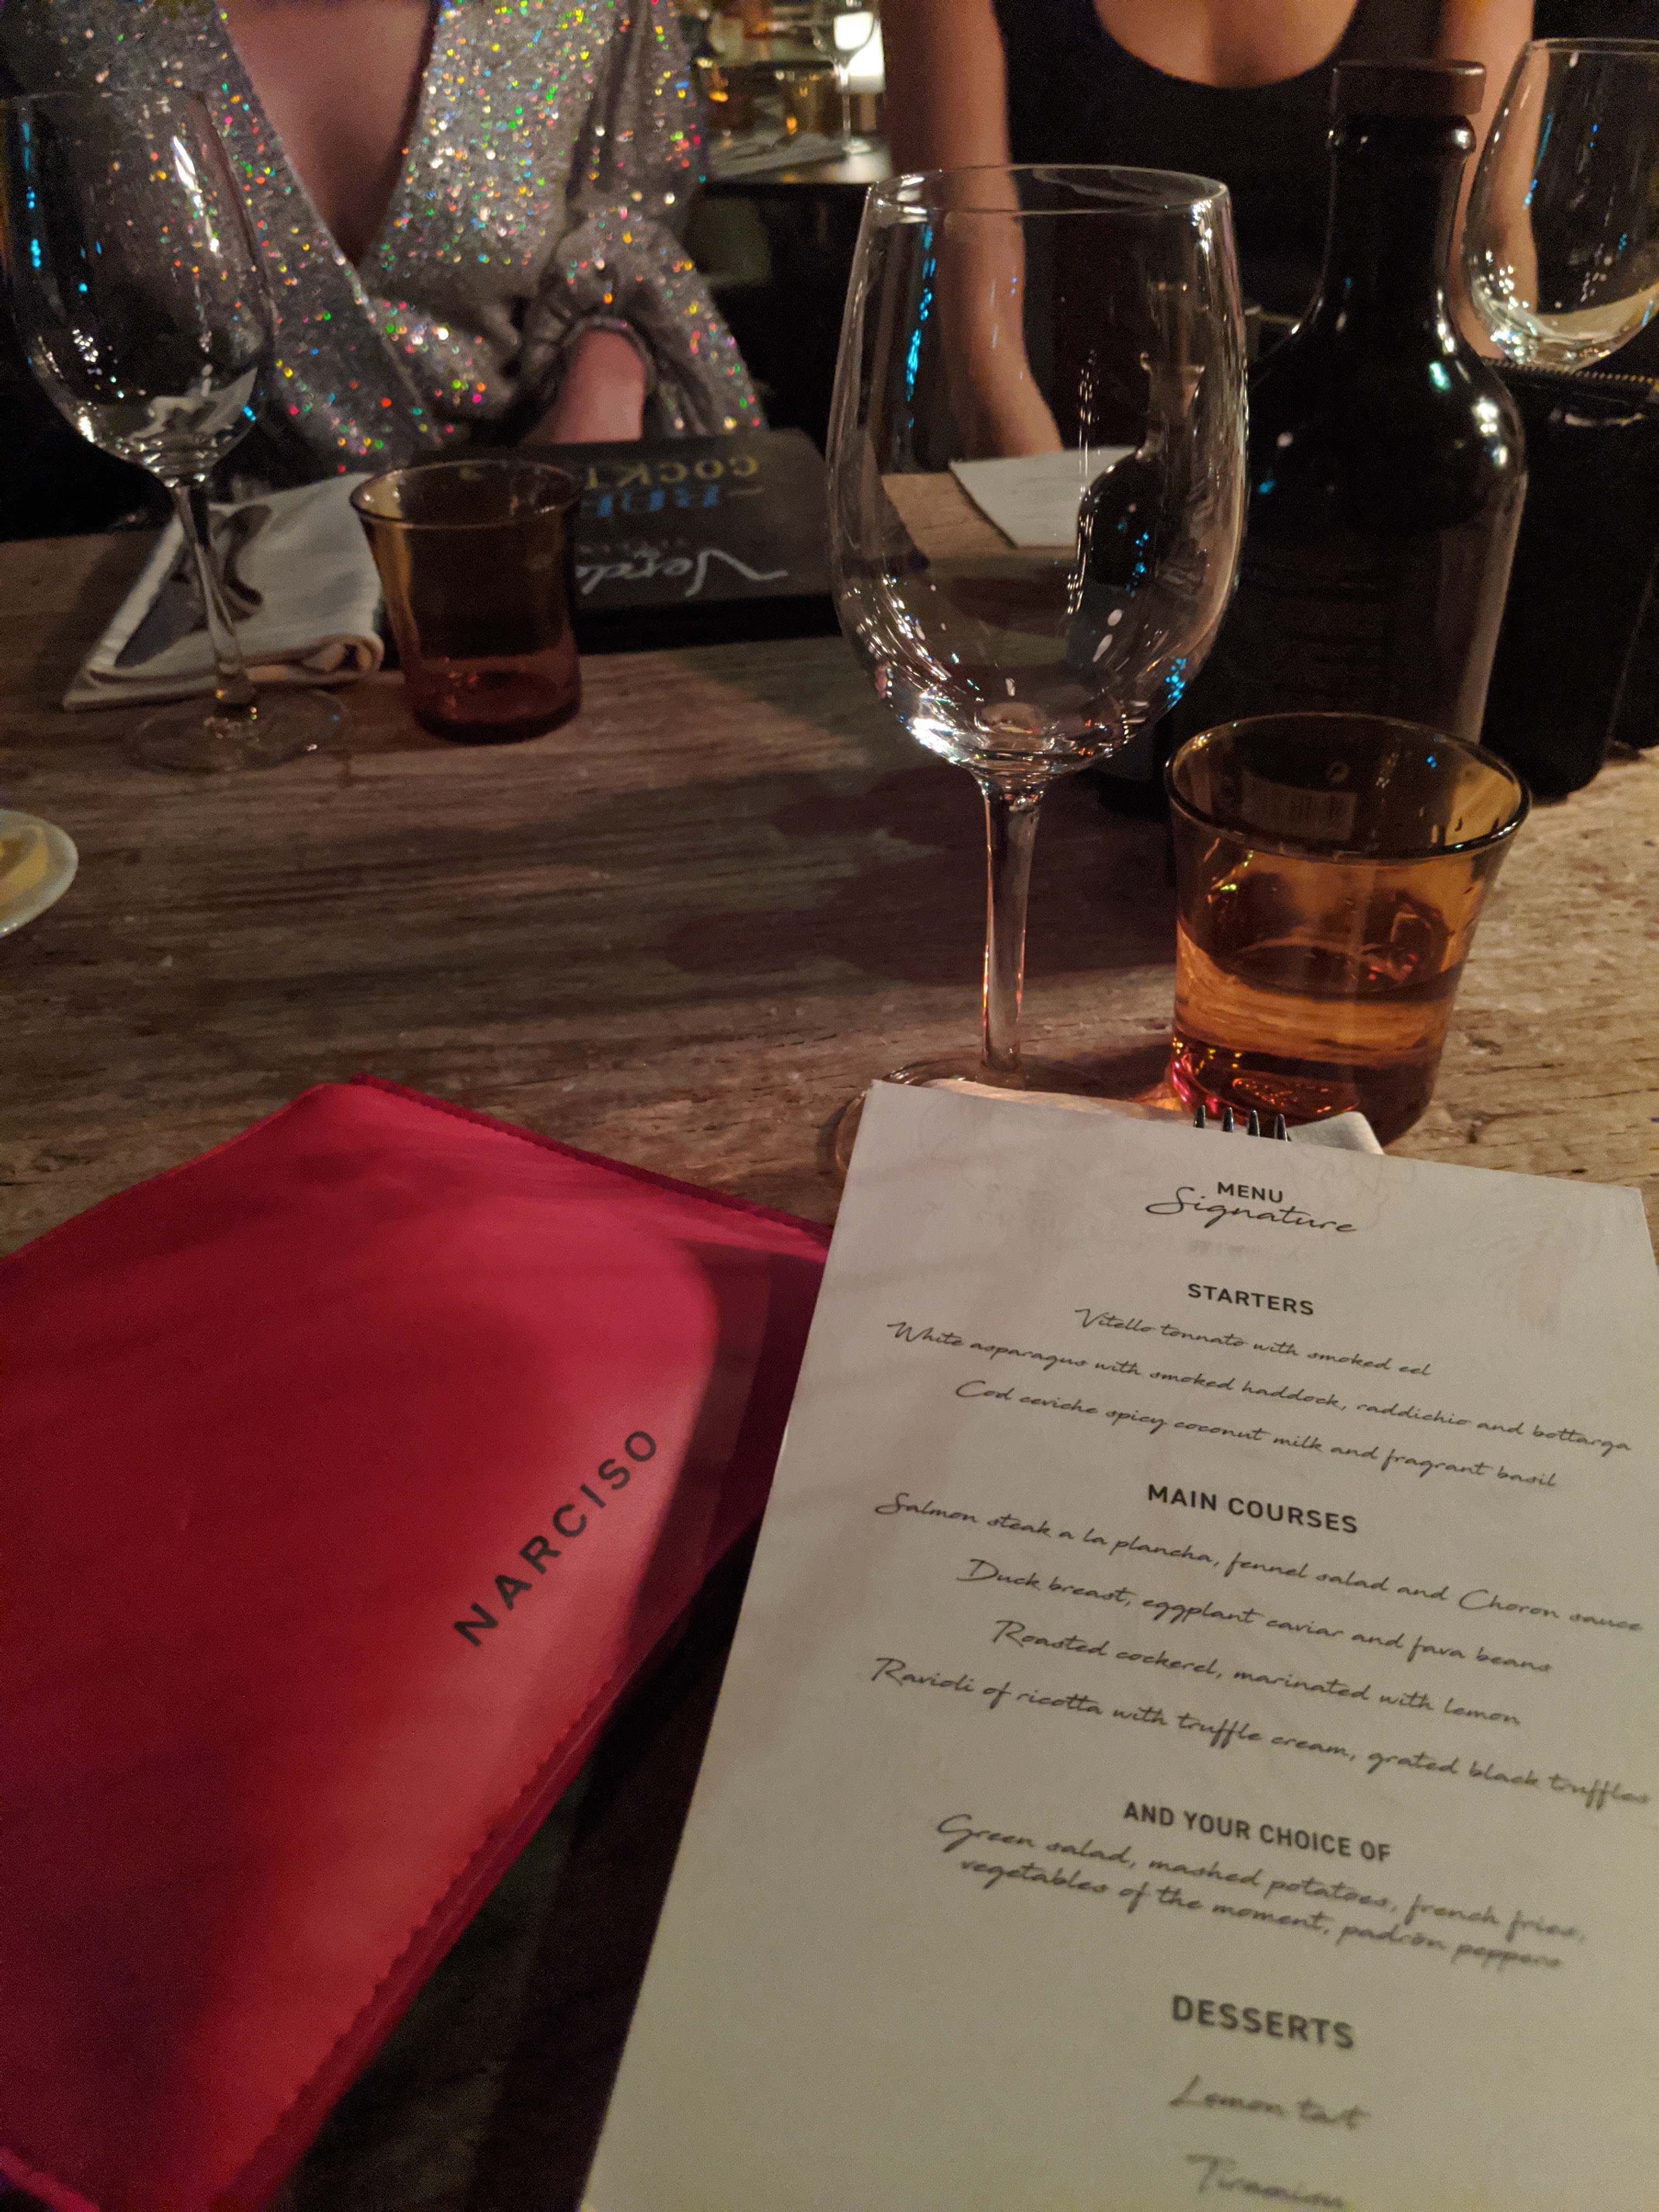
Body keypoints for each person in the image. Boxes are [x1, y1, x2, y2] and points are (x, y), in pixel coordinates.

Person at [0, 0, 761, 486]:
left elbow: (630, 218)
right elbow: (49, 310)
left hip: (538, 527)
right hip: (220, 575)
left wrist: (606, 375)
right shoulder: (63, 23)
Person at [883, 0, 1533, 324]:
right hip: (1068, 443)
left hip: (1367, 450)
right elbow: (967, 267)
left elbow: (1483, 251)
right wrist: (1049, 503)